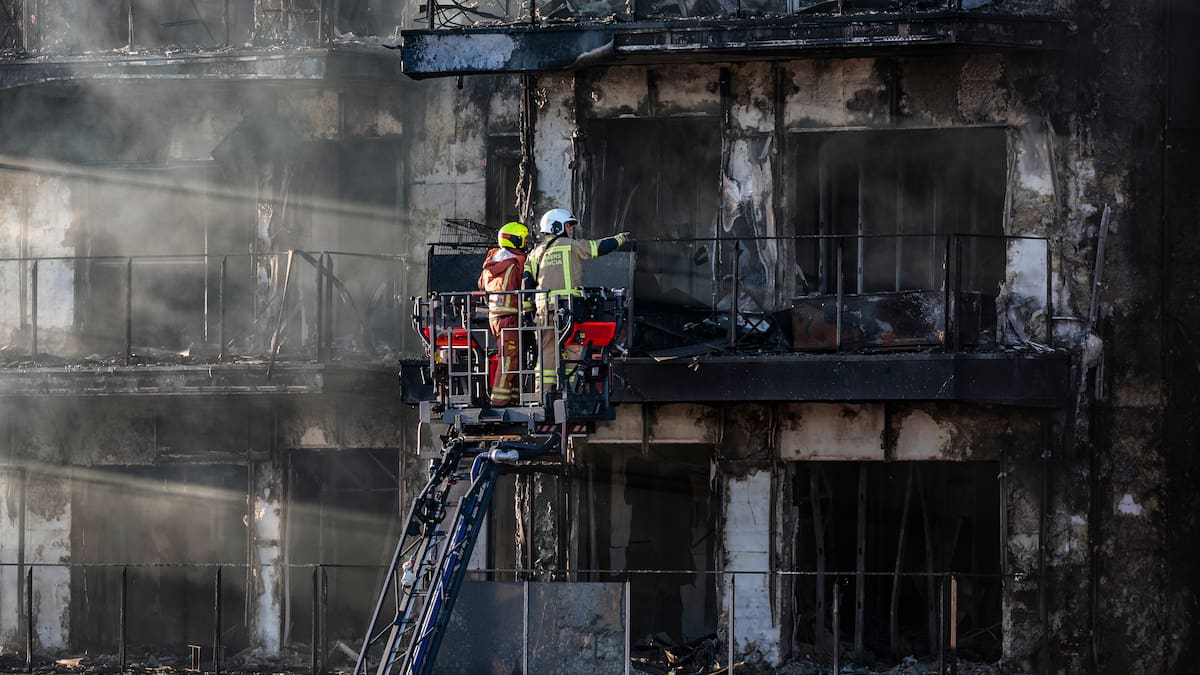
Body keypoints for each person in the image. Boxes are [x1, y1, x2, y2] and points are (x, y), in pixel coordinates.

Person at [523, 208, 629, 394]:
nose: (571, 230)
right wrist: (620, 239)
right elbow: (597, 248)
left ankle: (542, 394)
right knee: (574, 350)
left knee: (546, 353)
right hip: (567, 311)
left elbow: (526, 283)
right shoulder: (570, 245)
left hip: (542, 312)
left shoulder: (535, 253)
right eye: (568, 226)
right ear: (556, 227)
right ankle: (569, 391)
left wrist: (526, 311)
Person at [477, 221, 532, 407]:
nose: (526, 243)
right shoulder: (517, 263)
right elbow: (528, 284)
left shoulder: (491, 263)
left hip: (494, 317)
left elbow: (481, 285)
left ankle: (514, 397)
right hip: (510, 318)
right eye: (524, 239)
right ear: (516, 240)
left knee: (512, 356)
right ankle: (499, 401)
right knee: (508, 359)